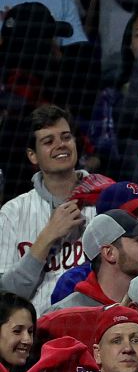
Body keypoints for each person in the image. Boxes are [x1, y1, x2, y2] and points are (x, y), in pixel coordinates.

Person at [0, 107, 90, 311]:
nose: (61, 145)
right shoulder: (12, 213)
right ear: (33, 156)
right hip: (36, 333)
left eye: (66, 137)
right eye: (49, 141)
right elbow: (6, 296)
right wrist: (47, 237)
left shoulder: (104, 199)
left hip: (96, 327)